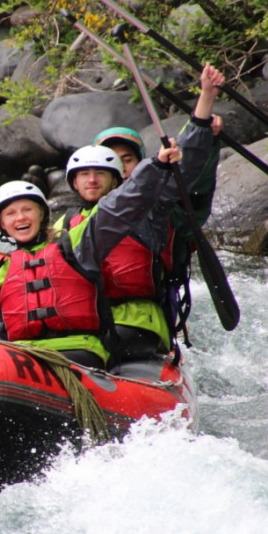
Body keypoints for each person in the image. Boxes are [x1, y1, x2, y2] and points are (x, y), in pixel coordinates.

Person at [54, 63, 225, 359]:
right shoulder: (67, 222)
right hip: (86, 317)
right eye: (87, 173)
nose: (93, 179)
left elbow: (186, 172)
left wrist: (205, 103)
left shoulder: (153, 209)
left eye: (123, 162)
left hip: (137, 320)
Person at [0, 141, 183, 369]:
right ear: (2, 225)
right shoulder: (3, 272)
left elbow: (117, 209)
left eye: (27, 210)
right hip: (29, 356)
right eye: (11, 214)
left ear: (42, 215)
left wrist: (156, 165)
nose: (20, 218)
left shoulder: (73, 246)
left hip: (81, 350)